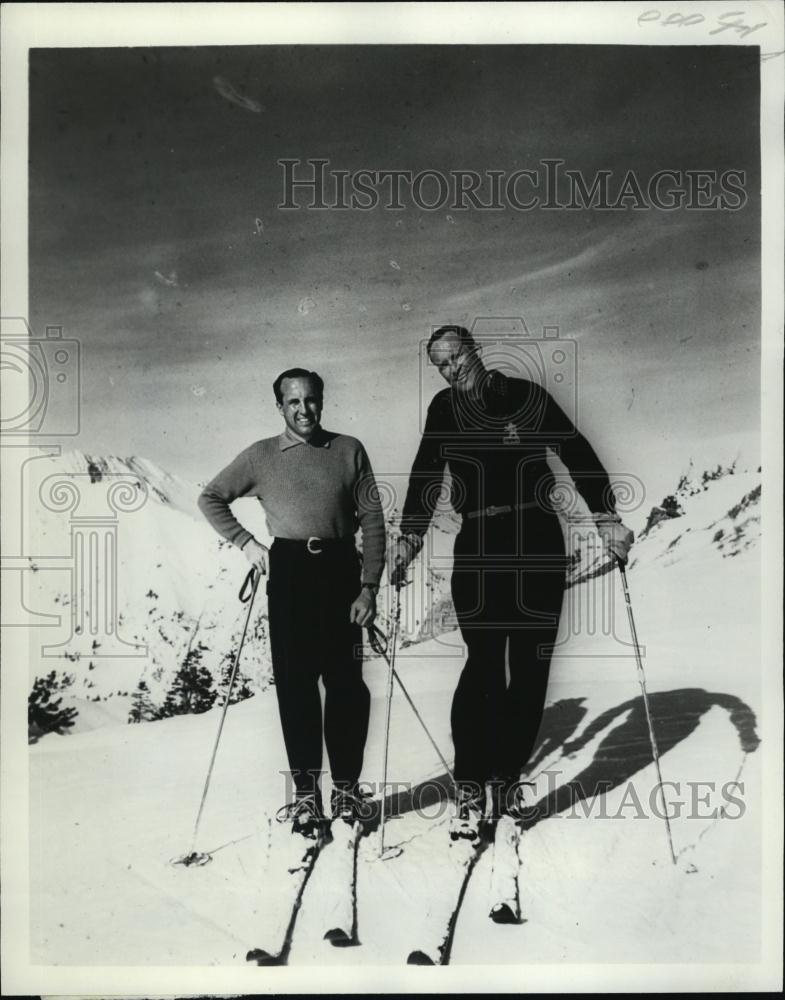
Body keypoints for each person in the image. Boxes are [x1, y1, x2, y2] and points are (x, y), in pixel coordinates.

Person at [391, 326, 633, 837]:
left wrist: (606, 517)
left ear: (475, 352)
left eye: (455, 358)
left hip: (538, 538)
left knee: (528, 668)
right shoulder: (443, 410)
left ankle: (506, 777)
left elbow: (577, 452)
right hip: (478, 540)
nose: (450, 370)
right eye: (440, 364)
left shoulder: (525, 396)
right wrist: (410, 539)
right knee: (482, 665)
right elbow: (425, 476)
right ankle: (471, 782)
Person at [198, 368, 385, 837]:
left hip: (341, 570)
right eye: (293, 402)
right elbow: (212, 497)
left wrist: (369, 587)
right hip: (290, 573)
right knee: (296, 688)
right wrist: (246, 543)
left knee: (345, 687)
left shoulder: (348, 450)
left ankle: (345, 790)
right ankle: (306, 798)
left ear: (322, 400)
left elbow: (374, 521)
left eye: (312, 400)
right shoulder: (262, 456)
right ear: (279, 406)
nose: (304, 410)